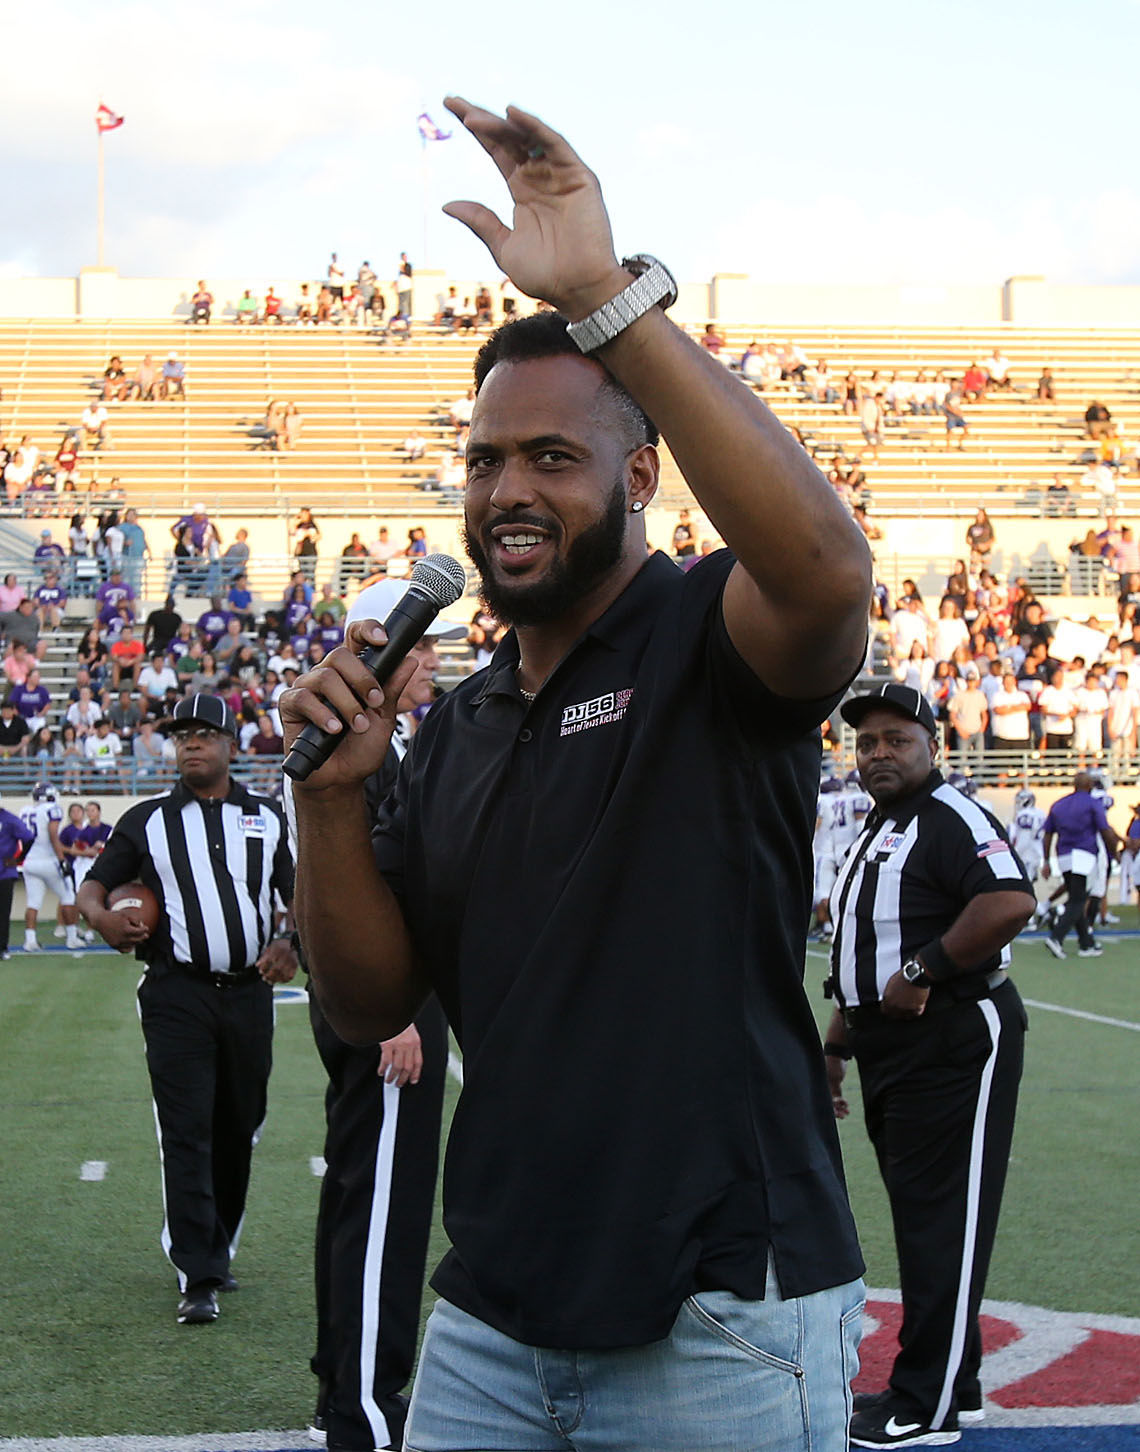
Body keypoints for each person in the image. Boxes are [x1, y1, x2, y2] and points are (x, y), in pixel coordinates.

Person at [283, 98, 870, 1452]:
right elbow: (374, 1003)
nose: (508, 490)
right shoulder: (462, 721)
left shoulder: (707, 634)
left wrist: (606, 297)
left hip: (717, 1317)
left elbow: (827, 571)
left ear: (642, 474)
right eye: (486, 460)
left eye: (555, 456)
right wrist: (328, 798)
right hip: (492, 1319)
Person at [823, 683, 1034, 1448]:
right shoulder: (883, 826)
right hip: (892, 1044)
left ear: (934, 746)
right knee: (925, 1217)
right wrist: (839, 1044)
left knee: (943, 1220)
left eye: (897, 739)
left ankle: (927, 1404)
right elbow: (863, 944)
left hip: (949, 1036)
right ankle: (957, 1382)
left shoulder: (953, 816)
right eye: (868, 742)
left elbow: (1009, 899)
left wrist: (923, 969)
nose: (879, 753)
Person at [285, 579, 455, 1452]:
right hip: (387, 1007)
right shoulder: (362, 751)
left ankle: (342, 1391)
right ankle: (366, 1409)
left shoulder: (376, 745)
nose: (431, 662)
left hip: (382, 1000)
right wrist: (397, 1016)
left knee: (361, 1192)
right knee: (384, 1203)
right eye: (420, 647)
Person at [77, 695, 298, 1326]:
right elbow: (95, 883)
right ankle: (197, 1271)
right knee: (187, 1128)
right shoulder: (146, 821)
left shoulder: (267, 817)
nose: (191, 745)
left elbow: (300, 896)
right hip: (178, 993)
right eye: (182, 737)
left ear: (231, 745)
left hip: (250, 992)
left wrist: (293, 943)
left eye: (205, 735)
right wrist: (98, 919)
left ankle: (217, 1245)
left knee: (240, 1122)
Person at [1040, 772, 1121, 960]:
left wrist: (1046, 860)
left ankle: (1086, 943)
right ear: (1090, 785)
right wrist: (1114, 853)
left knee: (1076, 896)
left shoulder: (1058, 804)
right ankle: (1056, 937)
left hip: (1063, 855)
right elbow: (1105, 830)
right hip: (1084, 854)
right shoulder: (1093, 803)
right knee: (1078, 900)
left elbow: (1048, 834)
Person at [19, 782, 85, 951]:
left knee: (33, 902)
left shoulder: (26, 811)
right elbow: (53, 835)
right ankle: (71, 938)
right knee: (69, 896)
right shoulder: (51, 809)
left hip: (30, 861)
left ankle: (30, 940)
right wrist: (62, 859)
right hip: (48, 860)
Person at [0, 798, 34, 958]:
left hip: (4, 872)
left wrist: (18, 859)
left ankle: (2, 947)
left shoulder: (10, 819)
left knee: (3, 912)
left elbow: (28, 838)